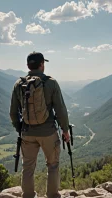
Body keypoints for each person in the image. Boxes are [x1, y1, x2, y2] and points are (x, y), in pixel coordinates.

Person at [9, 52, 70, 198]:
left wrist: (21, 129)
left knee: (28, 167)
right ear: (42, 64)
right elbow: (60, 109)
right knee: (53, 165)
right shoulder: (50, 83)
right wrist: (65, 130)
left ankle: (28, 196)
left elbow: (13, 112)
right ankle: (52, 195)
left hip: (27, 132)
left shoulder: (19, 84)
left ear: (28, 65)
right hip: (48, 132)